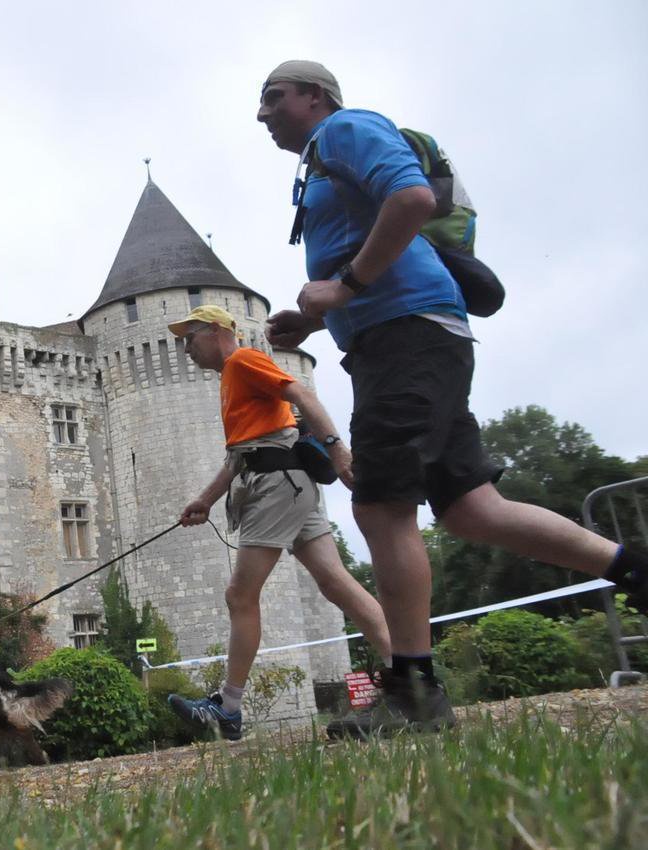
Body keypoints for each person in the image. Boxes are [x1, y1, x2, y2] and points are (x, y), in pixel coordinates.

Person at [257, 60, 648, 736]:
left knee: (381, 504)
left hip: (405, 336)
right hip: (407, 334)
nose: (262, 114)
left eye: (274, 97)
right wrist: (317, 319)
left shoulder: (346, 129)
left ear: (315, 96)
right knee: (472, 509)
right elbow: (375, 241)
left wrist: (344, 287)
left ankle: (413, 691)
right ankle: (636, 569)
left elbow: (412, 200)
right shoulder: (320, 163)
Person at [164, 305, 392, 741]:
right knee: (335, 582)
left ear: (216, 330)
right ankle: (409, 676)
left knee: (240, 595)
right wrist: (205, 501)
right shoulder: (231, 380)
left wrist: (338, 450)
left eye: (190, 337)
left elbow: (302, 396)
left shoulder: (243, 361)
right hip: (290, 483)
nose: (185, 348)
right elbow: (242, 454)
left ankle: (228, 708)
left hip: (275, 486)